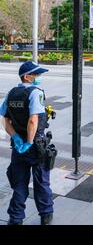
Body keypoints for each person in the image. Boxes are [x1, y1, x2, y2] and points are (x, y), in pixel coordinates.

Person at [0, 61, 54, 226]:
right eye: (35, 75)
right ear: (27, 76)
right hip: (35, 146)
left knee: (20, 182)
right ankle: (46, 214)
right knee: (41, 180)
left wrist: (16, 137)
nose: (38, 77)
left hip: (18, 147)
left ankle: (15, 219)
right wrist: (30, 142)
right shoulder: (35, 93)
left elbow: (5, 119)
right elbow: (33, 120)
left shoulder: (11, 93)